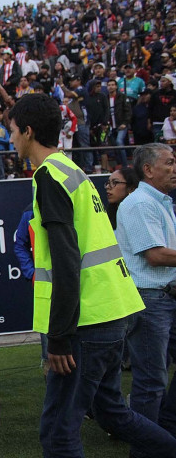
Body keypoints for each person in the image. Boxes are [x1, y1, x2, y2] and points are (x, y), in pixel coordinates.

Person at [7, 93, 176, 457]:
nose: (10, 139)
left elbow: (67, 262)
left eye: (13, 130)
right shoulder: (71, 170)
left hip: (89, 319)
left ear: (28, 131)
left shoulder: (50, 176)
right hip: (111, 311)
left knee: (58, 432)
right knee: (113, 413)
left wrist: (59, 338)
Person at [116, 143, 176, 448]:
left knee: (153, 380)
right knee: (151, 381)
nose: (174, 167)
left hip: (164, 298)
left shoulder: (160, 201)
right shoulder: (140, 203)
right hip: (151, 300)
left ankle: (164, 433)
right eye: (169, 162)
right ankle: (148, 447)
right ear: (148, 170)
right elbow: (156, 255)